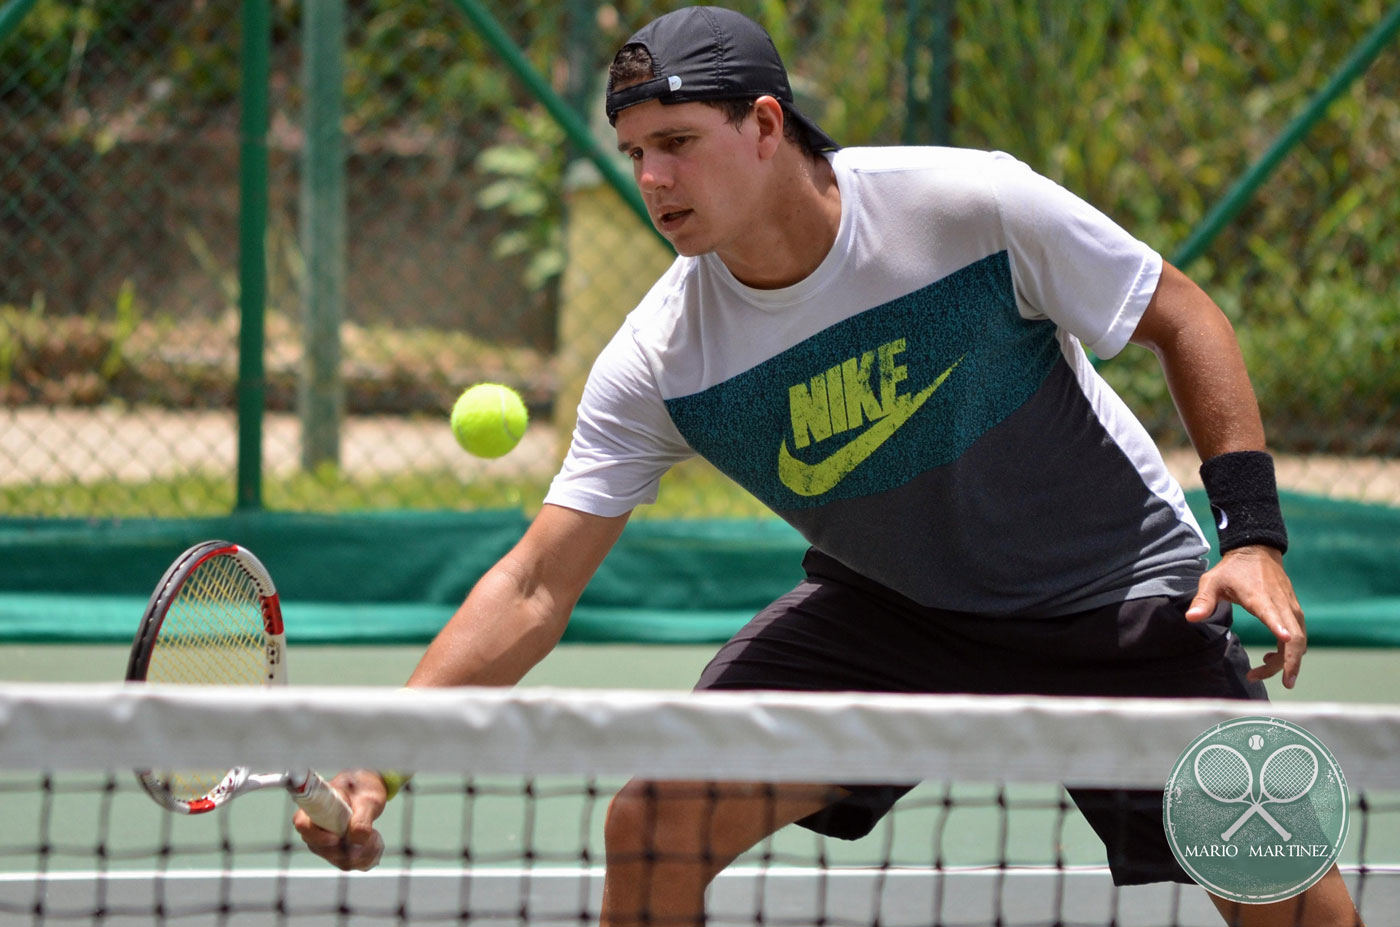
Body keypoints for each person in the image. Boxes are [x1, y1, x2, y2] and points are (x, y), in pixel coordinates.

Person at [296, 7, 1361, 925]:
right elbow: (534, 584)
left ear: (764, 126)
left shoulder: (965, 208)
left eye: (674, 141)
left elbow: (1180, 314)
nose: (651, 179)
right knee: (656, 822)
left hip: (1114, 595)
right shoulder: (663, 358)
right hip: (895, 615)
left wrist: (1251, 537)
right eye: (632, 154)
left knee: (1279, 879)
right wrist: (381, 755)